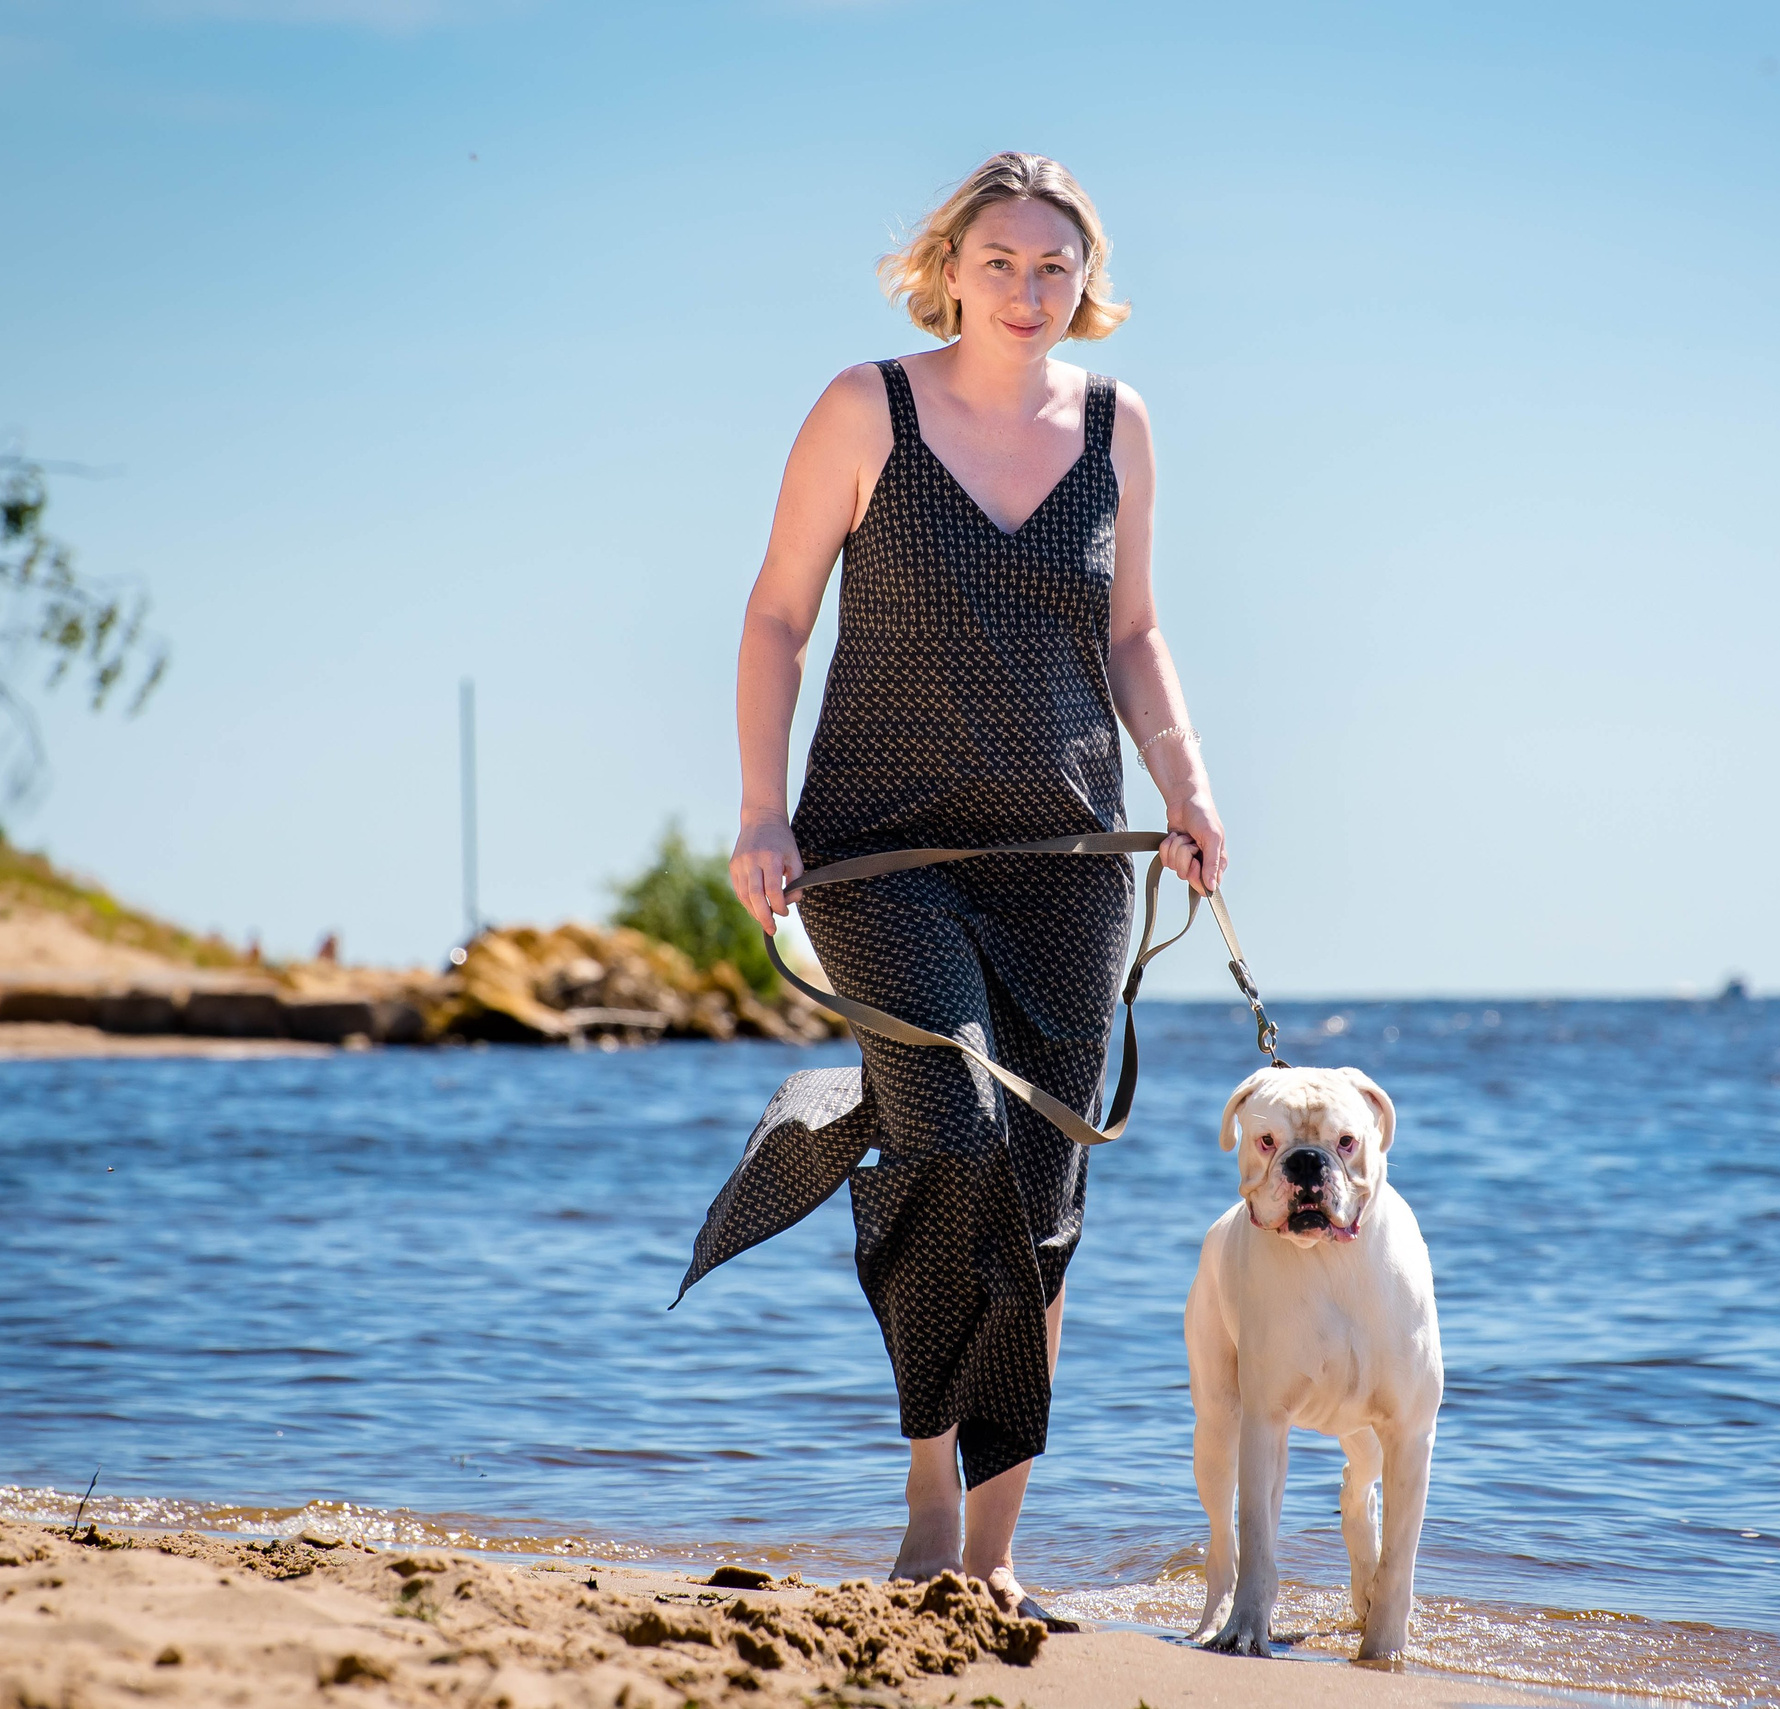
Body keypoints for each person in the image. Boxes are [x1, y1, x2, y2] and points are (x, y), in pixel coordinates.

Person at [710, 152, 1225, 1616]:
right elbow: (774, 614)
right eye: (1000, 260)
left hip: (1065, 862)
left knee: (1043, 1203)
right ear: (950, 266)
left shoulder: (1120, 429)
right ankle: (928, 1503)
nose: (1027, 288)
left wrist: (1188, 790)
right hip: (876, 852)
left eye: (1054, 265)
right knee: (956, 1128)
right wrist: (761, 808)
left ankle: (995, 1558)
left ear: (1088, 284)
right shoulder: (865, 406)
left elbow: (1134, 637)